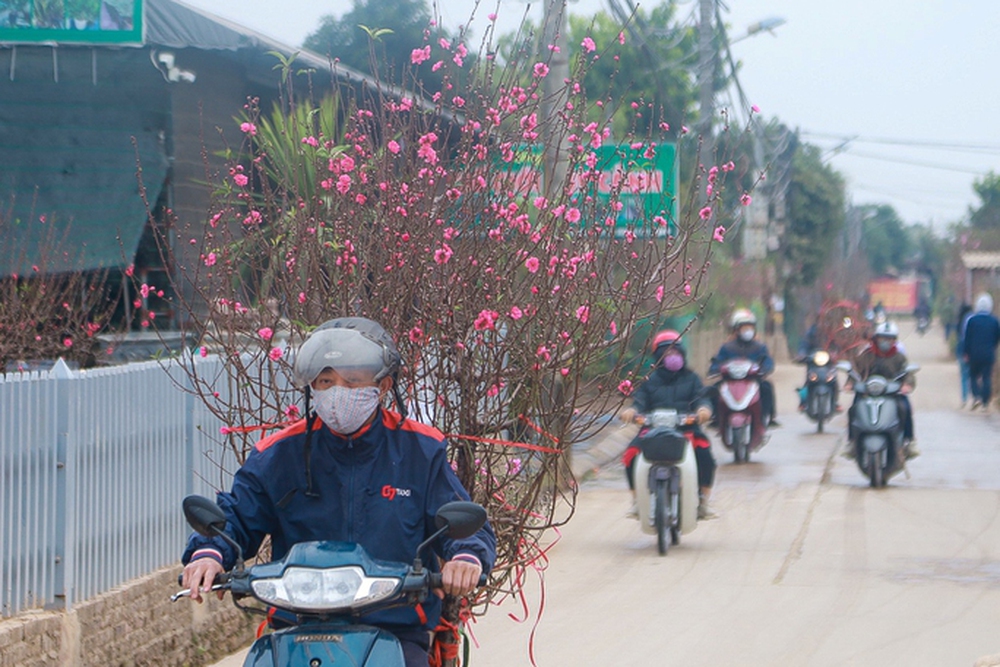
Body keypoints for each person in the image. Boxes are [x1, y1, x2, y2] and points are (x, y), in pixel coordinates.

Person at [181, 317, 497, 666]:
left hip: (394, 629)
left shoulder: (420, 450)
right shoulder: (278, 455)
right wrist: (209, 552)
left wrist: (465, 557)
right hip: (297, 627)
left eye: (352, 380)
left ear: (382, 386)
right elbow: (236, 515)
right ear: (312, 386)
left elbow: (461, 521)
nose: (338, 392)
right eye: (327, 381)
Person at [620, 330, 718, 520]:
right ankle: (636, 501)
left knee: (705, 456)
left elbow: (701, 399)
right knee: (630, 455)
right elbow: (639, 402)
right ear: (658, 356)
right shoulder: (648, 381)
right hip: (652, 431)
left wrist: (703, 410)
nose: (673, 356)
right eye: (667, 353)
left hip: (687, 430)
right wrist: (632, 411)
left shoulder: (692, 378)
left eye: (676, 352)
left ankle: (704, 501)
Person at [843, 320, 919, 459]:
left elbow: (907, 374)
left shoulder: (899, 357)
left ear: (894, 340)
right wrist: (850, 383)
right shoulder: (867, 355)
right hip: (868, 392)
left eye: (889, 339)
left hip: (892, 394)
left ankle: (909, 441)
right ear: (876, 338)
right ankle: (852, 442)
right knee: (853, 409)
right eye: (883, 338)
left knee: (905, 408)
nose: (886, 341)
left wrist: (906, 385)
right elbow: (856, 372)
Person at [709, 308, 778, 427]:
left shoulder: (759, 347)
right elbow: (718, 361)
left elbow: (767, 360)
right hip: (730, 380)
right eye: (744, 327)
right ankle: (716, 417)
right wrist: (715, 369)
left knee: (766, 387)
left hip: (753, 380)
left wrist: (765, 368)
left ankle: (767, 416)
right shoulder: (727, 347)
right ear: (736, 329)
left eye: (750, 327)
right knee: (714, 388)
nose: (748, 330)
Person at [959, 293, 1000, 411]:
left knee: (972, 376)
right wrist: (992, 347)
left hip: (974, 354)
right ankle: (985, 403)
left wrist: (965, 352)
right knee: (986, 378)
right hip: (988, 354)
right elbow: (997, 337)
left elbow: (967, 338)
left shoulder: (972, 320)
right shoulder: (994, 321)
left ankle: (976, 396)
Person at [955, 302, 973, 408]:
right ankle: (973, 396)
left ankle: (964, 398)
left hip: (961, 350)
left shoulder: (960, 322)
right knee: (972, 374)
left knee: (963, 375)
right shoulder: (972, 321)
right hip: (972, 351)